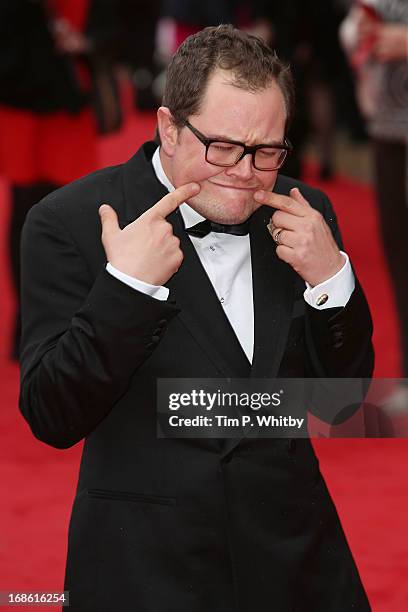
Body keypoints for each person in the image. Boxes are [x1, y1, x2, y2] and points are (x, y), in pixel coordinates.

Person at [19, 25, 374, 611]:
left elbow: (341, 402)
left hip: (295, 559)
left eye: (267, 151)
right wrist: (127, 288)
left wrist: (331, 279)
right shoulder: (69, 220)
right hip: (146, 565)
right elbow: (52, 415)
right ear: (167, 127)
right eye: (224, 147)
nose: (245, 171)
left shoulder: (306, 215)